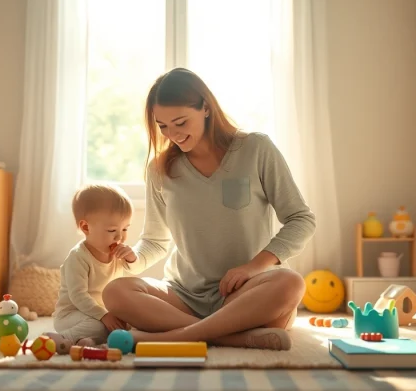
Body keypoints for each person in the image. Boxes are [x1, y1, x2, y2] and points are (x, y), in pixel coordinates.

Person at [103, 68, 316, 350]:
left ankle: (173, 337)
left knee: (289, 283)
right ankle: (227, 336)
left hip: (246, 293)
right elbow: (155, 241)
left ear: (205, 107)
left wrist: (254, 267)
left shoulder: (256, 148)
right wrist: (134, 257)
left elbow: (301, 219)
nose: (172, 134)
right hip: (184, 295)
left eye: (180, 122)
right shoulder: (160, 170)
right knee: (116, 292)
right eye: (163, 126)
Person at [46, 184, 146, 354]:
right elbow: (78, 296)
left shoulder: (115, 253)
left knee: (133, 321)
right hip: (72, 315)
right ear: (86, 227)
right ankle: (65, 338)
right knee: (99, 325)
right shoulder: (78, 257)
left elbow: (134, 270)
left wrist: (131, 257)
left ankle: (88, 342)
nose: (120, 237)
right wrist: (104, 316)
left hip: (102, 313)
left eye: (125, 229)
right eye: (112, 230)